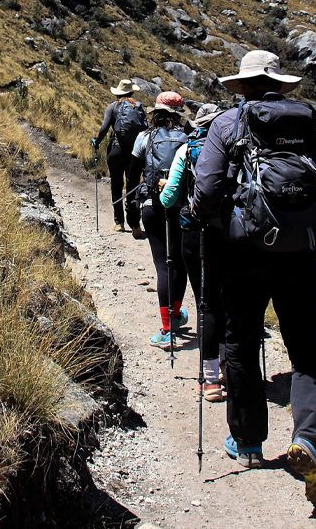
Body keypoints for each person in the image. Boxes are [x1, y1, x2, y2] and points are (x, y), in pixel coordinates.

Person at [192, 50, 316, 508]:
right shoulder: (312, 126)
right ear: (280, 84)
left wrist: (219, 223)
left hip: (243, 255)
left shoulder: (226, 125)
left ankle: (248, 442)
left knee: (240, 342)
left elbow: (206, 190)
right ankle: (310, 439)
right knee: (308, 349)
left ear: (242, 87)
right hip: (302, 255)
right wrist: (313, 229)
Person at [160, 104, 225, 402]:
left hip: (194, 231)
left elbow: (169, 197)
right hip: (231, 232)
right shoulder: (233, 147)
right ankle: (230, 362)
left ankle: (211, 378)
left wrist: (161, 189)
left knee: (205, 302)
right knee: (228, 299)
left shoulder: (188, 151)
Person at [128, 92, 191, 348]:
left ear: (155, 112)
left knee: (162, 265)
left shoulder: (145, 137)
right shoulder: (188, 138)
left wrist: (131, 213)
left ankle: (167, 329)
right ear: (178, 114)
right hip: (182, 208)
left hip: (152, 206)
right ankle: (175, 314)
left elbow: (132, 176)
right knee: (180, 263)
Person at [91, 79, 147, 234]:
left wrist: (97, 141)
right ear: (132, 92)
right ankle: (135, 226)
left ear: (118, 93)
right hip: (135, 153)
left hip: (116, 151)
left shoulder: (113, 107)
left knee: (116, 186)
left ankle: (119, 222)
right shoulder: (138, 107)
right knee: (133, 187)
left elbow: (104, 127)